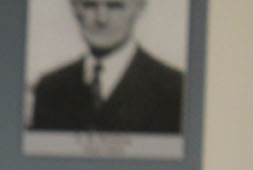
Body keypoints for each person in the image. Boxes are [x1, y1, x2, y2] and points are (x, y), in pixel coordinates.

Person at [29, 0, 183, 133]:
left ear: (140, 7)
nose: (101, 18)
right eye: (89, 5)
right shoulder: (49, 88)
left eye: (115, 5)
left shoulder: (175, 89)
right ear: (74, 8)